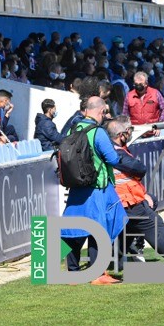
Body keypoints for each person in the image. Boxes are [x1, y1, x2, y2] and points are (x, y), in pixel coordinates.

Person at [61, 97, 126, 284]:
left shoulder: (75, 128)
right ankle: (97, 273)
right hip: (96, 188)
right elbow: (112, 158)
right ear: (100, 112)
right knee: (100, 230)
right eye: (105, 112)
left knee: (74, 229)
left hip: (77, 186)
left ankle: (73, 271)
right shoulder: (97, 132)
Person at [107, 116, 164, 262]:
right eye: (129, 130)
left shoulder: (115, 150)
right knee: (151, 227)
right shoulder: (116, 152)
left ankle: (117, 259)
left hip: (128, 200)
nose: (131, 133)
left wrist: (144, 194)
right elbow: (139, 169)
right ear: (121, 135)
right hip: (127, 201)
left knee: (143, 224)